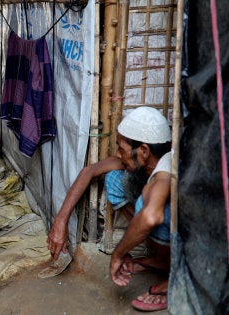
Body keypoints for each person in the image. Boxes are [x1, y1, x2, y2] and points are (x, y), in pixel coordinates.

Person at [46, 106, 172, 312]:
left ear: (144, 151)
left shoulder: (166, 174)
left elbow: (150, 217)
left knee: (149, 208)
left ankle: (173, 277)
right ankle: (158, 259)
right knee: (115, 179)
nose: (117, 154)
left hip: (198, 244)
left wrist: (118, 254)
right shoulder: (148, 161)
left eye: (121, 149)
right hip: (168, 228)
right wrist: (60, 221)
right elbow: (90, 171)